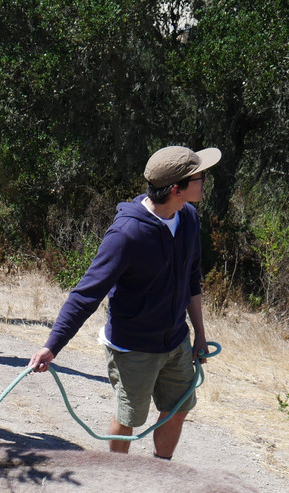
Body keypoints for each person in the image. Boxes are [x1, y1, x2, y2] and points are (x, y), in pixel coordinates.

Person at [28, 144, 222, 460]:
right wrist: (53, 345)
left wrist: (199, 335)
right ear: (176, 189)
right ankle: (119, 476)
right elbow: (86, 294)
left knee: (177, 409)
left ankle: (161, 471)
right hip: (133, 347)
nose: (204, 182)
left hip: (176, 340)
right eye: (199, 177)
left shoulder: (188, 217)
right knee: (129, 417)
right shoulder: (127, 234)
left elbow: (191, 279)